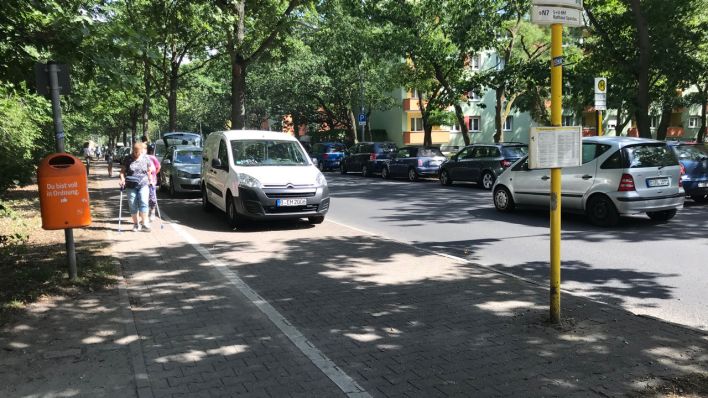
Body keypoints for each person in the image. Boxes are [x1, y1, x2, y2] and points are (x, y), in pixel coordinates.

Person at [119, 142, 155, 232]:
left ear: (141, 151)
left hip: (143, 184)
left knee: (144, 202)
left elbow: (149, 171)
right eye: (134, 152)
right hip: (130, 185)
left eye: (138, 152)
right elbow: (122, 171)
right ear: (132, 150)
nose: (136, 154)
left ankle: (145, 224)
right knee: (132, 204)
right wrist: (122, 179)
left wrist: (151, 180)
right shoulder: (127, 158)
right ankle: (136, 224)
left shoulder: (146, 158)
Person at [146, 144, 161, 222]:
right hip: (145, 180)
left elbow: (158, 167)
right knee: (149, 197)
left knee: (152, 196)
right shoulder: (145, 157)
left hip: (152, 180)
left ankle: (152, 212)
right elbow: (158, 167)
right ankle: (148, 213)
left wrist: (154, 174)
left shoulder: (153, 158)